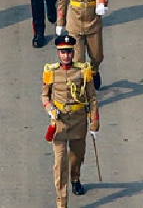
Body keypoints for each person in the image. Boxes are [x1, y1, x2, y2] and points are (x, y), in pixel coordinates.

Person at [42, 34, 100, 206]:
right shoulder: (50, 72)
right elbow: (45, 96)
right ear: (58, 54)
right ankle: (62, 201)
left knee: (76, 156)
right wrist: (50, 109)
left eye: (69, 52)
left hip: (78, 120)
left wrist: (94, 123)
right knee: (60, 163)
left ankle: (75, 178)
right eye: (63, 52)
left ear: (73, 53)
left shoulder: (83, 71)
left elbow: (92, 98)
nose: (66, 55)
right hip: (59, 123)